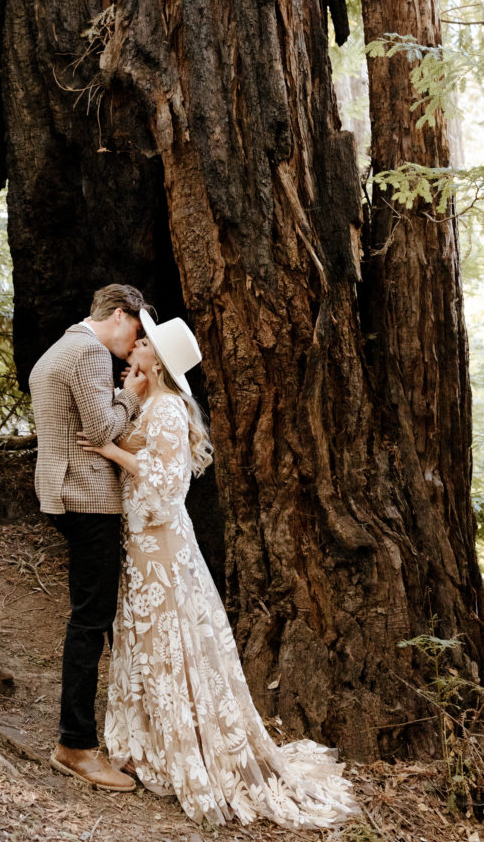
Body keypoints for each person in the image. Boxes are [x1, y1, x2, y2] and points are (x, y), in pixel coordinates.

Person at [77, 311, 360, 828]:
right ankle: (150, 740)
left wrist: (109, 450)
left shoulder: (166, 411)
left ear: (156, 363)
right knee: (149, 640)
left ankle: (179, 746)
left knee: (169, 641)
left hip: (159, 547)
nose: (133, 347)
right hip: (144, 546)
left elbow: (167, 485)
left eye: (142, 345)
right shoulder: (153, 403)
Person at [29, 284, 150, 792]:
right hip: (87, 498)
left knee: (95, 617)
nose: (136, 342)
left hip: (64, 491)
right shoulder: (89, 353)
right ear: (119, 316)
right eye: (138, 330)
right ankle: (75, 745)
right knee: (91, 620)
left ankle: (117, 736)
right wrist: (133, 396)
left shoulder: (62, 346)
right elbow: (101, 429)